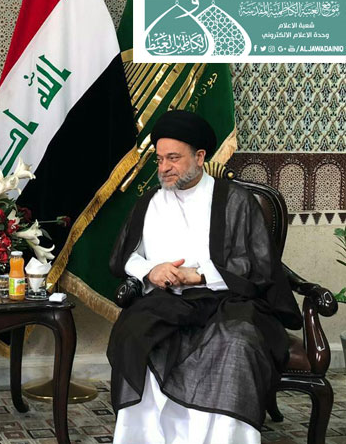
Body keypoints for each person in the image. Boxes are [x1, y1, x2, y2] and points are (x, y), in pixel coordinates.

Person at [107, 110, 302, 444]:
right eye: (159, 159)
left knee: (238, 342)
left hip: (228, 301)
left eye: (173, 158)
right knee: (136, 336)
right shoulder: (149, 202)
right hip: (165, 303)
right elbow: (127, 256)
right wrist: (151, 270)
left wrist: (196, 277)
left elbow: (256, 265)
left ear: (200, 157)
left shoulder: (235, 201)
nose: (164, 168)